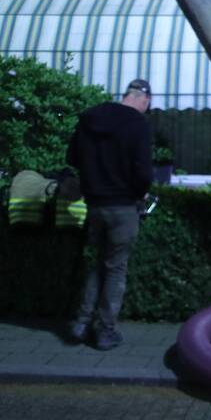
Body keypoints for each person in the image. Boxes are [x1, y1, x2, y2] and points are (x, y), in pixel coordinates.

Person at [66, 79, 153, 351]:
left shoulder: (90, 118)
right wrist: (141, 192)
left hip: (94, 205)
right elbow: (144, 171)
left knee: (98, 263)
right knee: (115, 268)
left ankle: (81, 323)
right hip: (123, 207)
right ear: (144, 100)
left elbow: (72, 158)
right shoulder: (138, 123)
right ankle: (105, 331)